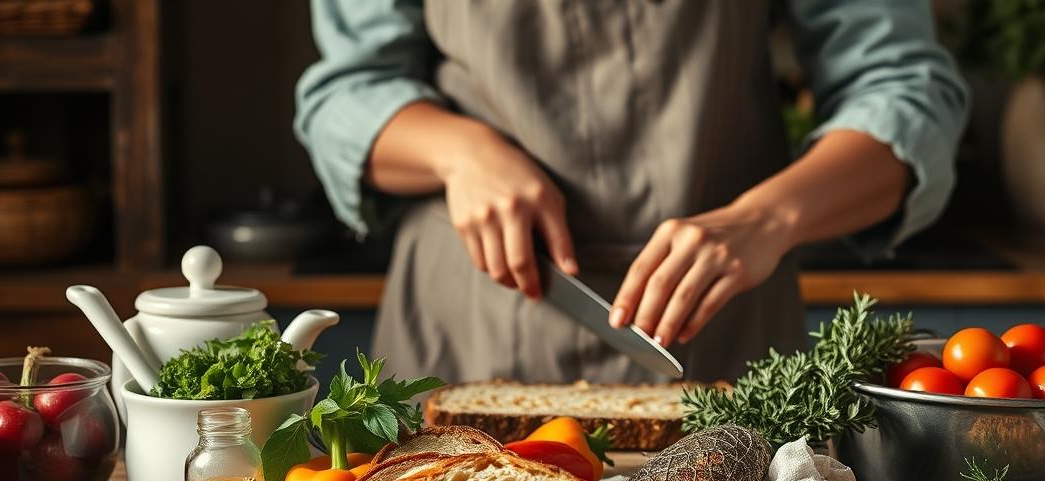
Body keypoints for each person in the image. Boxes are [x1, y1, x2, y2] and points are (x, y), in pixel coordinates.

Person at [295, 0, 967, 383]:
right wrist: (458, 152)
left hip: (724, 340)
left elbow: (906, 94)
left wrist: (768, 217)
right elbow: (345, 94)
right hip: (466, 330)